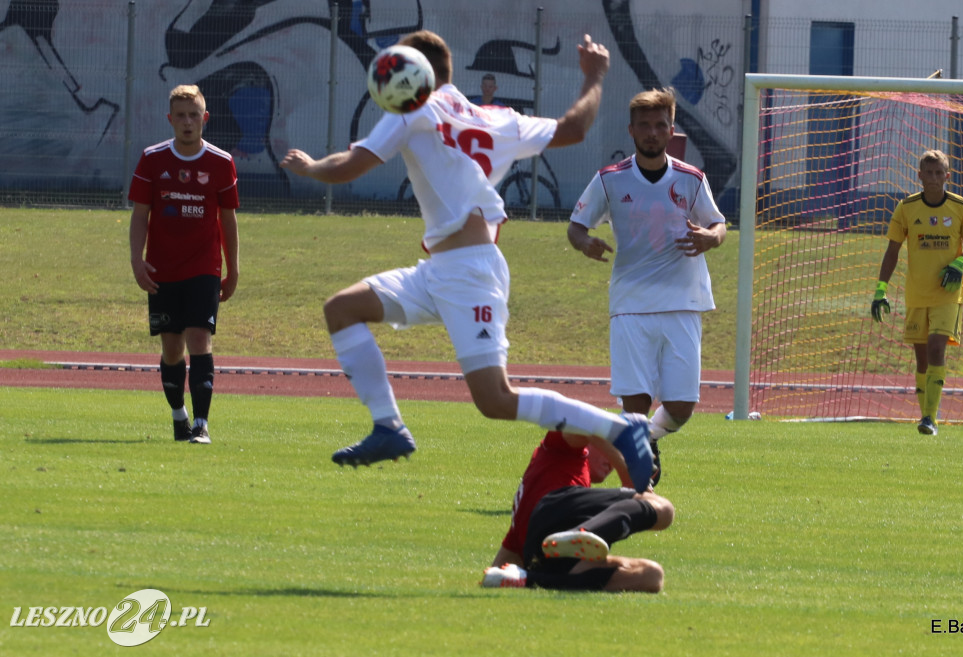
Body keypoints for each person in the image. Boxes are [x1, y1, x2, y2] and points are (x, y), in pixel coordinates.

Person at [279, 31, 654, 491]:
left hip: (470, 273)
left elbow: (350, 166)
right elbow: (573, 129)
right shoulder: (495, 117)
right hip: (441, 269)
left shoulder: (415, 108)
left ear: (416, 73)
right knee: (342, 308)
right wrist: (595, 77)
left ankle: (621, 429)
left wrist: (311, 167)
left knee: (495, 399)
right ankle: (389, 428)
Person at [566, 87, 726, 478]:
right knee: (634, 406)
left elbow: (718, 223)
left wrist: (712, 237)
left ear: (671, 130)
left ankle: (646, 440)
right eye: (644, 126)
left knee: (682, 408)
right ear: (632, 132)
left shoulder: (691, 178)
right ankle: (635, 475)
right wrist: (584, 241)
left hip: (683, 302)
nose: (652, 132)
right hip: (631, 304)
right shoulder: (610, 180)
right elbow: (575, 226)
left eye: (659, 125)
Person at [129, 84, 240, 445]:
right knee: (171, 348)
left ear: (205, 118)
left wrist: (233, 268)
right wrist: (137, 260)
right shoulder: (152, 159)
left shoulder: (221, 162)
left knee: (199, 340)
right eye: (181, 116)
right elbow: (140, 216)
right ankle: (180, 417)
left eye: (194, 115)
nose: (188, 122)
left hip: (204, 268)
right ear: (170, 120)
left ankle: (202, 424)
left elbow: (228, 220)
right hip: (162, 270)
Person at [481, 431, 674, 592]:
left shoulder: (539, 494)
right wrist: (629, 470)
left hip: (547, 556)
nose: (612, 464)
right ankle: (583, 532)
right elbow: (587, 424)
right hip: (553, 513)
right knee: (664, 509)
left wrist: (494, 576)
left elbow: (502, 563)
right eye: (613, 449)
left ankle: (528, 579)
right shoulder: (561, 449)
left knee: (652, 576)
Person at [871, 149, 963, 435]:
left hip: (948, 293)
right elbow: (892, 250)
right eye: (928, 172)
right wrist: (881, 289)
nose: (933, 178)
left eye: (938, 172)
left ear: (947, 176)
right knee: (921, 358)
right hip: (917, 293)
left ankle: (930, 419)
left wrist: (960, 262)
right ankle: (926, 416)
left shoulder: (961, 206)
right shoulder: (906, 208)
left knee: (935, 347)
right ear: (919, 175)